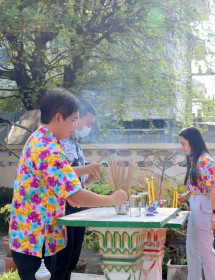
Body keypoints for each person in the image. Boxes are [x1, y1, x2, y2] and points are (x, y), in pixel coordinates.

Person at [8, 88, 128, 280]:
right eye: (73, 120)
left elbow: (65, 190)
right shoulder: (47, 148)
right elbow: (75, 194)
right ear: (58, 118)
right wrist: (113, 199)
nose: (75, 126)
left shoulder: (45, 140)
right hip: (36, 243)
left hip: (41, 240)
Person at [54, 99, 101, 279]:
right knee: (62, 260)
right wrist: (88, 167)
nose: (89, 127)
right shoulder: (60, 142)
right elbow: (61, 172)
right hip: (65, 205)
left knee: (72, 259)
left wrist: (89, 179)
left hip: (78, 205)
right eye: (87, 122)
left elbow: (76, 182)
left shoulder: (76, 142)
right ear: (77, 117)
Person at [177, 126, 215, 280]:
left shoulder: (206, 161)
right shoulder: (195, 159)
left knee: (206, 252)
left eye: (183, 143)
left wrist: (214, 215)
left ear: (192, 142)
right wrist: (187, 195)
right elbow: (198, 185)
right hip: (195, 205)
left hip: (203, 208)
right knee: (192, 249)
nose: (182, 147)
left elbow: (213, 189)